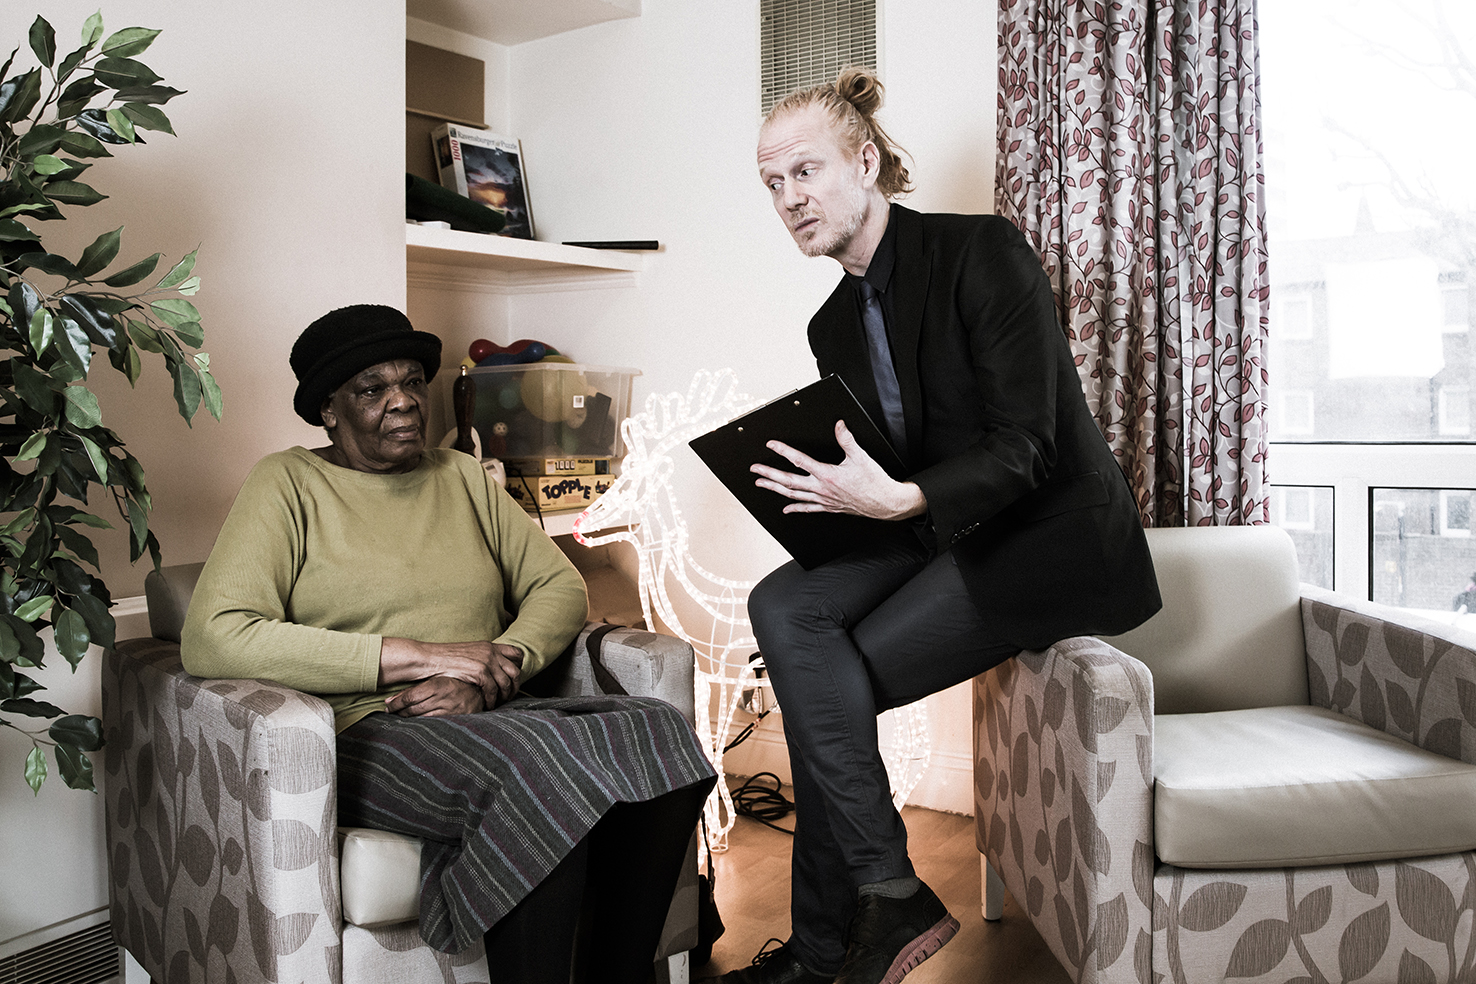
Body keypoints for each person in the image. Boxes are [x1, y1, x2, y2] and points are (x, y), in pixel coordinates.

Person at [714, 70, 1163, 984]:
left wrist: (902, 501)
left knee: (819, 692)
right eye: (772, 183)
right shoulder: (831, 322)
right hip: (933, 527)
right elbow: (887, 463)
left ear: (867, 162)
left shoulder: (980, 252)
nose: (789, 198)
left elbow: (1028, 448)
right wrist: (832, 497)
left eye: (806, 171)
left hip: (1043, 533)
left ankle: (830, 941)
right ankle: (876, 900)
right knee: (784, 607)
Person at [181, 304, 716, 984]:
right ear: (329, 411)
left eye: (410, 381)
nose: (403, 400)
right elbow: (213, 635)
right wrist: (425, 656)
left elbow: (558, 588)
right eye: (372, 389)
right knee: (542, 764)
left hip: (485, 710)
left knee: (660, 732)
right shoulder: (287, 484)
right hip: (369, 728)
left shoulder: (461, 476)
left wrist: (494, 669)